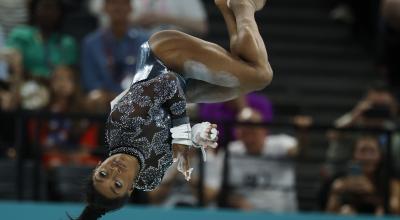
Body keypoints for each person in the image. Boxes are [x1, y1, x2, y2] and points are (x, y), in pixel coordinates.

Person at [72, 0, 272, 219]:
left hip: (164, 56)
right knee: (250, 80)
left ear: (97, 166)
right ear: (130, 189)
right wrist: (197, 136)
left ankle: (243, 7)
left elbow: (167, 82)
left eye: (103, 174)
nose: (114, 171)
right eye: (117, 184)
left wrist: (182, 133)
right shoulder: (149, 178)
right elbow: (168, 137)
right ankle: (231, 7)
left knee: (259, 74)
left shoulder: (121, 123)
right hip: (181, 89)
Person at [222, 107, 298, 212]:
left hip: (282, 214)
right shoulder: (231, 151)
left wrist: (303, 134)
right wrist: (237, 201)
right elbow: (224, 192)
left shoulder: (281, 144)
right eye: (244, 129)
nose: (248, 135)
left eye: (252, 129)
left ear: (264, 130)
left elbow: (299, 153)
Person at [81, 0, 149, 110]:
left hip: (137, 99)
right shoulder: (91, 43)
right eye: (113, 2)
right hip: (104, 100)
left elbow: (148, 79)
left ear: (131, 7)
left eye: (124, 2)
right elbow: (91, 82)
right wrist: (112, 97)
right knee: (93, 99)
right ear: (104, 8)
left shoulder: (146, 40)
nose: (118, 7)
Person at [325, 135, 400, 215]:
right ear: (353, 155)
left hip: (378, 213)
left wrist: (372, 193)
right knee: (346, 211)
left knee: (381, 211)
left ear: (380, 155)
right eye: (363, 151)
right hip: (351, 214)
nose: (367, 157)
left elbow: (395, 207)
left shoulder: (389, 176)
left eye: (372, 151)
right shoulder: (343, 176)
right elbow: (329, 213)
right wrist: (335, 192)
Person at [6, 0, 77, 79]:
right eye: (44, 7)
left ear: (60, 12)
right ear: (34, 9)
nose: (48, 13)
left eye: (53, 8)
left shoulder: (67, 43)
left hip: (57, 88)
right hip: (24, 85)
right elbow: (11, 68)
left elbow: (69, 76)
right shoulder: (20, 35)